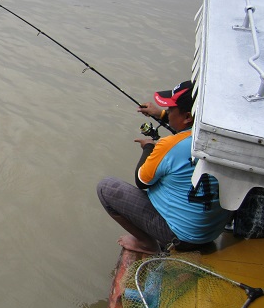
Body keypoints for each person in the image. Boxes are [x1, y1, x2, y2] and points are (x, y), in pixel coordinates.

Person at [97, 80, 232, 254]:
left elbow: (141, 181)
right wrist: (159, 114)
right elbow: (187, 133)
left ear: (187, 117)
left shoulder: (168, 145)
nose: (167, 113)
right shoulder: (222, 139)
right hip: (211, 232)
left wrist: (148, 147)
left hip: (182, 237)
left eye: (170, 110)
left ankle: (147, 244)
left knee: (106, 188)